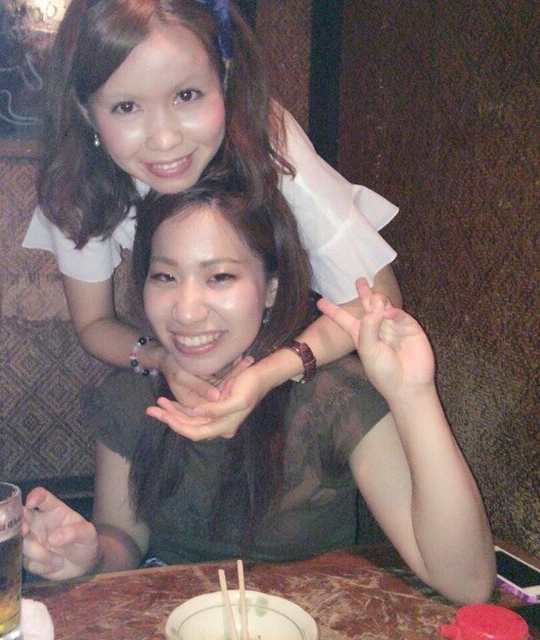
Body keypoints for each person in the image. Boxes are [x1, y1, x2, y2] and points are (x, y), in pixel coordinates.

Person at [23, 180, 495, 604]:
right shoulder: (133, 395)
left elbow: (467, 582)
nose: (186, 311)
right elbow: (124, 540)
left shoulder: (333, 397)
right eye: (165, 276)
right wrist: (89, 554)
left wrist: (414, 394)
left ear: (270, 289)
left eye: (220, 277)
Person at [22, 0, 402, 439]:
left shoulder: (267, 137)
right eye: (126, 107)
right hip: (186, 353)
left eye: (186, 96)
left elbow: (377, 300)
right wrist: (161, 358)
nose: (165, 139)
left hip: (300, 345)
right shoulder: (76, 179)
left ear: (225, 76)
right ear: (86, 110)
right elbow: (93, 324)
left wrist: (268, 373)